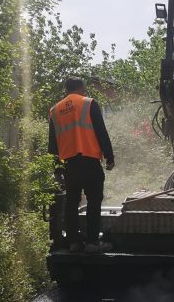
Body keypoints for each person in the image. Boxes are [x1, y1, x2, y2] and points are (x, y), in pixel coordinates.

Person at [48, 78, 116, 253]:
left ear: (66, 89)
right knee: (94, 200)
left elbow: (52, 144)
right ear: (81, 88)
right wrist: (109, 156)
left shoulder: (55, 110)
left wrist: (57, 168)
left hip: (69, 164)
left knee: (72, 202)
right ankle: (93, 242)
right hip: (89, 160)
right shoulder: (89, 103)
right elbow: (101, 131)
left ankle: (73, 242)